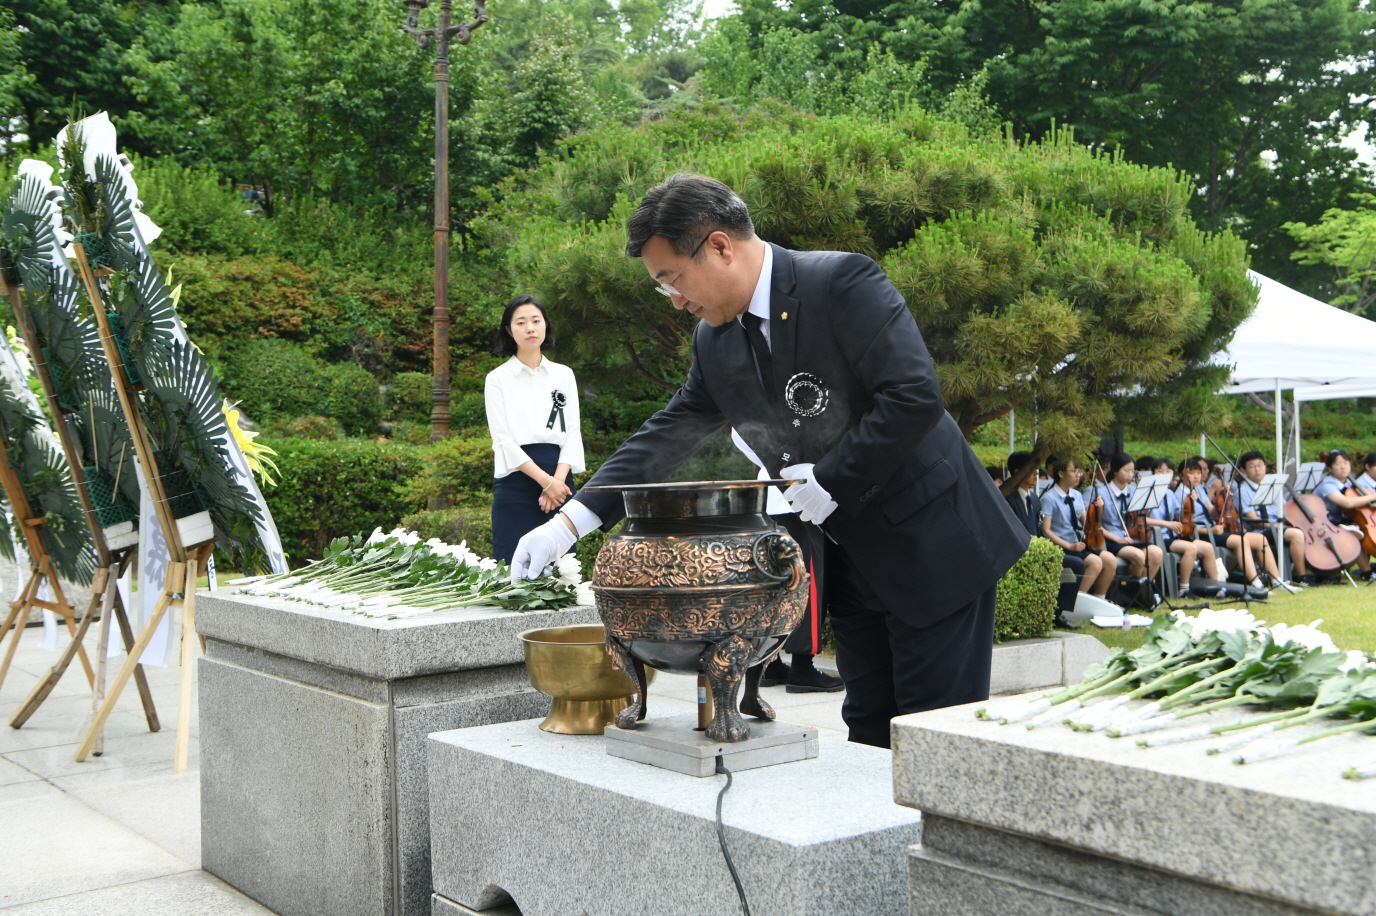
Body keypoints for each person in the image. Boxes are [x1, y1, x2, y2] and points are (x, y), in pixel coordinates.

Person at [509, 173, 1029, 749]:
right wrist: (569, 523)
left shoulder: (840, 282)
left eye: (672, 279)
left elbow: (913, 396)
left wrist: (833, 478)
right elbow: (667, 434)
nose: (677, 300)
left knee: (935, 733)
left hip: (934, 546)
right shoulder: (716, 341)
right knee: (869, 728)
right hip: (852, 560)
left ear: (720, 247)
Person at [731, 429, 845, 693]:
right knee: (807, 582)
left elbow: (741, 436)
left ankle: (770, 663)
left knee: (773, 585)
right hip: (800, 497)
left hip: (769, 497)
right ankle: (802, 668)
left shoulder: (754, 399)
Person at [484, 295, 585, 564]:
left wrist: (558, 483)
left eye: (536, 321)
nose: (530, 328)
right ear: (509, 330)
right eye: (521, 322)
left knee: (561, 573)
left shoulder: (564, 374)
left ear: (545, 326)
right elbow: (503, 440)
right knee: (513, 572)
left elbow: (573, 432)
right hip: (517, 482)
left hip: (560, 480)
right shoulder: (497, 380)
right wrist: (546, 483)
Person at [1005, 451, 1084, 624]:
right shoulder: (1008, 498)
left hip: (1038, 551)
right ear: (1018, 471)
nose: (1037, 473)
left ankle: (1057, 612)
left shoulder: (1033, 498)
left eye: (1038, 469)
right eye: (1033, 469)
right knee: (1075, 564)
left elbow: (1040, 531)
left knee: (1077, 565)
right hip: (1021, 553)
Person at [1181, 456, 1281, 588]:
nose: (1196, 477)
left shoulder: (1199, 490)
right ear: (1182, 475)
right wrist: (1211, 530)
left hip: (1214, 529)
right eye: (1191, 473)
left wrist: (1221, 499)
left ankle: (1277, 580)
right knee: (1241, 542)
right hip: (1202, 533)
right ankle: (1256, 583)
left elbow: (1212, 512)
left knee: (1260, 539)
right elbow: (1185, 526)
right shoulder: (1180, 494)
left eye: (1198, 473)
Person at [1144, 457, 1220, 597]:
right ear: (1153, 472)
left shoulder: (1170, 493)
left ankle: (1215, 586)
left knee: (1207, 547)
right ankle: (1184, 589)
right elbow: (1142, 519)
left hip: (1171, 536)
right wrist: (1167, 524)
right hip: (1155, 536)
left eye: (1168, 471)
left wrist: (1189, 504)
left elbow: (1178, 517)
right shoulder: (1148, 492)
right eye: (1160, 471)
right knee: (1190, 548)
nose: (1164, 474)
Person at [1040, 457, 1116, 598]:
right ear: (1061, 474)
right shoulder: (1049, 498)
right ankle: (1075, 601)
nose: (1078, 475)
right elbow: (1046, 530)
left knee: (1110, 560)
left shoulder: (1077, 495)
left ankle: (1100, 598)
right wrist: (1069, 546)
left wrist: (1097, 508)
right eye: (1074, 471)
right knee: (1095, 562)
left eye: (1078, 471)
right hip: (1061, 545)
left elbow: (1086, 521)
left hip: (1077, 543)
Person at [1237, 450, 1308, 586]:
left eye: (1260, 465)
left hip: (1278, 526)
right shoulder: (1243, 490)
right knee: (1296, 534)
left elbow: (1284, 511)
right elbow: (1256, 521)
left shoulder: (1272, 485)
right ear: (1244, 471)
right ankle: (1301, 576)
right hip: (1260, 530)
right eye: (1252, 466)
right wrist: (1281, 527)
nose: (1257, 469)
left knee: (1302, 529)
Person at [1090, 453, 1162, 583]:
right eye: (1126, 470)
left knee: (1156, 553)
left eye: (1132, 471)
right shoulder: (1101, 493)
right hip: (1112, 539)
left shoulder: (1135, 491)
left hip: (1132, 537)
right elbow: (1095, 524)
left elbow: (1141, 516)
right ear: (1115, 470)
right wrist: (1117, 538)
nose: (1130, 474)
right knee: (1139, 556)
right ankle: (1130, 592)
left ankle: (1144, 592)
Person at [1311, 449, 1376, 580]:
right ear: (1330, 468)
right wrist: (1373, 496)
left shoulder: (1349, 482)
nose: (1343, 467)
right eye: (1338, 464)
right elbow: (1347, 503)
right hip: (1323, 523)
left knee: (1359, 531)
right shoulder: (1327, 484)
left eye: (1346, 463)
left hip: (1338, 520)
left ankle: (1367, 572)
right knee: (1354, 534)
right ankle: (1367, 573)